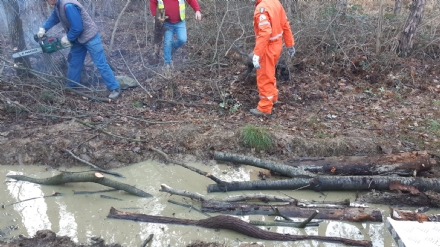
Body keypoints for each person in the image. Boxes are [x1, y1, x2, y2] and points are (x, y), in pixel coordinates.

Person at [38, 0, 121, 100]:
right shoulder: (58, 5)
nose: (46, 1)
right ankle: (71, 87)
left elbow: (77, 27)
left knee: (100, 63)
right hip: (78, 39)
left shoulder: (68, 6)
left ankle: (115, 88)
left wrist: (68, 38)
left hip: (90, 37)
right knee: (74, 62)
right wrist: (43, 29)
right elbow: (53, 18)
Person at [250, 0, 295, 116]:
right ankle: (273, 97)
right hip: (277, 45)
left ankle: (265, 107)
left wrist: (257, 53)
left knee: (264, 75)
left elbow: (265, 32)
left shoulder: (262, 8)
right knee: (269, 73)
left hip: (267, 47)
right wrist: (290, 44)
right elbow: (285, 24)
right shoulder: (275, 2)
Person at [150, 0, 201, 67]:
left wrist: (197, 10)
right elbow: (152, 2)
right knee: (167, 42)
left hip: (180, 21)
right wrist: (154, 16)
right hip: (165, 21)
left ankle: (172, 48)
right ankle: (167, 63)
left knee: (182, 39)